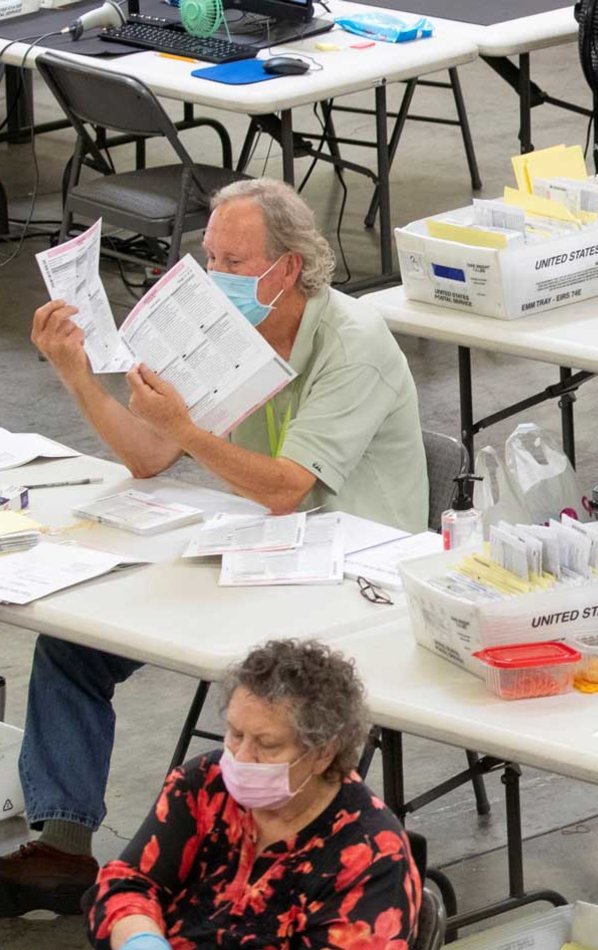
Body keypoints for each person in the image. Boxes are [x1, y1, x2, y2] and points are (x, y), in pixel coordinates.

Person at [6, 178, 427, 915]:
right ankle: (64, 846)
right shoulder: (219, 327)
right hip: (251, 552)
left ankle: (286, 869)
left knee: (272, 703)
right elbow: (148, 455)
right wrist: (77, 375)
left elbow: (287, 488)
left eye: (235, 261)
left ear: (287, 268)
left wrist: (188, 430)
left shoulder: (351, 344)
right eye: (211, 255)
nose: (216, 275)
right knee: (71, 644)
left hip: (347, 572)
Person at [78, 640, 419, 947]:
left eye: (267, 745)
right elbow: (127, 884)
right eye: (235, 734)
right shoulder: (204, 785)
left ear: (323, 752)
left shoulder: (369, 854)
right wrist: (140, 938)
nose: (241, 758)